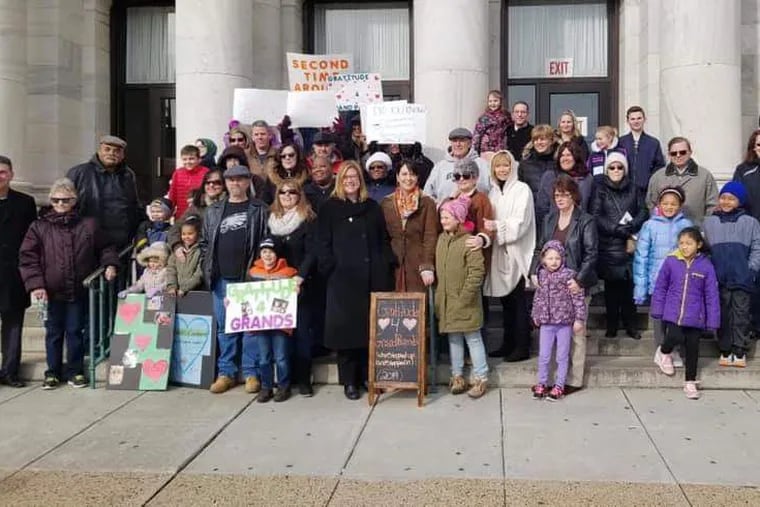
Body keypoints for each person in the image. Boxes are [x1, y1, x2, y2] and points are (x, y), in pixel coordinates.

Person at [18, 178, 118, 389]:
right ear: (51, 201)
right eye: (56, 200)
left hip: (78, 290)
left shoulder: (88, 225)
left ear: (74, 200)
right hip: (51, 292)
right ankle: (52, 372)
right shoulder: (39, 226)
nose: (61, 204)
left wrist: (109, 264)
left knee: (75, 331)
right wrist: (36, 285)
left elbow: (106, 247)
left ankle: (75, 371)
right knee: (53, 333)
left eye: (65, 200)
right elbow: (28, 257)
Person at [316, 161, 395, 400]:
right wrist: (331, 267)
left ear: (361, 180)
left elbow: (382, 239)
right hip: (343, 280)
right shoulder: (330, 207)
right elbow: (322, 243)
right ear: (340, 181)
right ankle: (349, 380)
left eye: (355, 177)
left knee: (368, 331)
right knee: (347, 333)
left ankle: (367, 376)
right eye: (346, 177)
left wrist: (384, 265)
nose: (351, 181)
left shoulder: (371, 207)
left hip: (371, 277)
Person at [201, 165, 269, 394]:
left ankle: (251, 373)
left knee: (250, 328)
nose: (235, 184)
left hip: (248, 278)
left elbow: (266, 240)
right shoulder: (213, 210)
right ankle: (226, 373)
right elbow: (204, 244)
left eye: (240, 180)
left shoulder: (259, 209)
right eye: (230, 180)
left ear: (247, 182)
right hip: (221, 279)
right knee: (225, 328)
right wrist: (206, 267)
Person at [533, 176, 598, 393]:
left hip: (575, 285)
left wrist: (578, 280)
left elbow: (591, 253)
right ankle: (551, 380)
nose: (560, 199)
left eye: (565, 195)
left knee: (577, 334)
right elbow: (540, 248)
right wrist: (536, 271)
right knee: (551, 339)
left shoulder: (585, 220)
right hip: (552, 287)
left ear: (574, 196)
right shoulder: (550, 218)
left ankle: (574, 380)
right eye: (557, 195)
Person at [652, 227, 720, 400]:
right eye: (681, 243)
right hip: (673, 312)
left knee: (692, 347)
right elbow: (660, 287)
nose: (684, 247)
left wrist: (713, 320)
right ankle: (664, 351)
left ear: (698, 245)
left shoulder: (706, 265)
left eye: (689, 243)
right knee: (674, 336)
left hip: (696, 315)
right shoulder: (671, 261)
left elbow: (711, 294)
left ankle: (690, 381)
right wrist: (657, 309)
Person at [483, 150, 536, 361]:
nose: (502, 169)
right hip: (498, 251)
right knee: (505, 302)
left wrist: (497, 226)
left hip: (516, 251)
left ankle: (522, 346)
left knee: (518, 301)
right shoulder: (493, 192)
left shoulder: (522, 190)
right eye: (498, 166)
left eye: (506, 165)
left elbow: (521, 221)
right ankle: (508, 342)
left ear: (512, 167)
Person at [435, 195, 488, 399]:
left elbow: (476, 272)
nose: (443, 220)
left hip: (465, 301)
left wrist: (465, 296)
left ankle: (480, 376)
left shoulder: (469, 242)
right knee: (454, 339)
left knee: (473, 339)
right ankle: (457, 375)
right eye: (442, 217)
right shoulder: (442, 240)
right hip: (447, 302)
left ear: (458, 218)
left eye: (447, 216)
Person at [702, 182, 760, 368]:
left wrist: (751, 269)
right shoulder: (710, 222)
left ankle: (739, 349)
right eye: (723, 197)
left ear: (740, 201)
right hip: (719, 278)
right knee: (722, 314)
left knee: (741, 314)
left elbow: (757, 248)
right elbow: (705, 250)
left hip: (742, 277)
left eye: (731, 198)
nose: (726, 202)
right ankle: (725, 348)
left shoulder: (750, 223)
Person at [591, 153, 648, 339]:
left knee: (628, 288)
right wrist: (616, 229)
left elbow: (643, 210)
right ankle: (612, 325)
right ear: (607, 170)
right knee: (611, 290)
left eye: (620, 167)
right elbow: (597, 216)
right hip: (609, 245)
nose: (616, 170)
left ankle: (631, 325)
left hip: (630, 242)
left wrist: (631, 226)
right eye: (612, 167)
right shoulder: (600, 189)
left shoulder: (634, 188)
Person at [633, 187, 693, 365]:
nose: (669, 207)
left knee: (676, 317)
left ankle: (673, 349)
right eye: (665, 203)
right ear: (659, 204)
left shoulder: (686, 225)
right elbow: (641, 258)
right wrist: (640, 289)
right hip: (657, 280)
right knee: (658, 317)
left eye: (673, 204)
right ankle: (661, 350)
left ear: (680, 205)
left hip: (679, 281)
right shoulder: (649, 225)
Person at [268, 181, 317, 396]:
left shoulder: (308, 219)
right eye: (282, 192)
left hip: (300, 285)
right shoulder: (271, 221)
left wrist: (300, 277)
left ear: (300, 195)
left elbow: (312, 252)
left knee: (302, 335)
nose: (287, 195)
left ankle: (304, 379)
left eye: (292, 192)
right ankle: (284, 381)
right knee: (280, 335)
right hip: (275, 285)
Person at [530, 240, 587, 401]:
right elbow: (538, 298)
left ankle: (559, 386)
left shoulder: (569, 275)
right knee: (544, 355)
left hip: (564, 323)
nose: (554, 261)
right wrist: (536, 315)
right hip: (547, 323)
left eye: (557, 258)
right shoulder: (541, 275)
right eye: (550, 258)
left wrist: (579, 319)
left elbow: (578, 298)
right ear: (543, 260)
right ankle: (542, 383)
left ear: (562, 258)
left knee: (562, 356)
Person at [66, 135, 144, 249]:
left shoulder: (128, 175)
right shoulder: (78, 173)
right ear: (99, 151)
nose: (112, 153)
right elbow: (65, 206)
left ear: (122, 155)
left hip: (121, 242)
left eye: (117, 151)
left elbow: (135, 205)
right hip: (88, 240)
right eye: (107, 149)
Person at [247, 237, 299, 403]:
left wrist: (297, 291)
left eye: (271, 251)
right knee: (264, 357)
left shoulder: (289, 273)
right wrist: (231, 302)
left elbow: (297, 295)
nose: (267, 255)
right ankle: (266, 387)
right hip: (261, 324)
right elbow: (244, 294)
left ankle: (284, 387)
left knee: (281, 356)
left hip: (281, 324)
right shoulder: (253, 272)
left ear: (277, 254)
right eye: (264, 252)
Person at [0, 155, 37, 387]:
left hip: (14, 274)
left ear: (11, 175)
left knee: (13, 326)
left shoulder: (26, 202)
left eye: (3, 172)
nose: (0, 176)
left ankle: (10, 371)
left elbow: (32, 239)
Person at [381, 159, 439, 292]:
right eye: (404, 174)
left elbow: (430, 236)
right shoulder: (386, 203)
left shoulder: (427, 202)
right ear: (397, 177)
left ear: (418, 177)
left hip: (417, 264)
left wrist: (427, 265)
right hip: (394, 264)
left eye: (412, 174)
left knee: (416, 307)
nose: (408, 178)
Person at [645, 137, 718, 225]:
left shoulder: (705, 176)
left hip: (695, 231)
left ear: (690, 152)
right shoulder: (658, 177)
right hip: (664, 232)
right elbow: (651, 204)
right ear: (669, 155)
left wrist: (705, 229)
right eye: (674, 153)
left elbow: (712, 206)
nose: (678, 155)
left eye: (682, 152)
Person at [733, 129, 760, 334]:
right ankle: (753, 324)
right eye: (758, 145)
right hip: (752, 233)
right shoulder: (744, 170)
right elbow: (735, 200)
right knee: (753, 278)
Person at [423, 127, 490, 204]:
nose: (458, 144)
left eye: (462, 141)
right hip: (445, 213)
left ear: (469, 144)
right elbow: (427, 194)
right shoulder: (440, 167)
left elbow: (493, 191)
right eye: (454, 141)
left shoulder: (482, 165)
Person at [536, 141, 595, 222]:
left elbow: (591, 208)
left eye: (568, 155)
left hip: (580, 227)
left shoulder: (587, 178)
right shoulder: (550, 176)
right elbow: (541, 208)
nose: (565, 159)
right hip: (555, 227)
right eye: (562, 155)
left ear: (576, 157)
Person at [618, 106, 665, 192]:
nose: (636, 121)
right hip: (624, 190)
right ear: (628, 121)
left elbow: (659, 166)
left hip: (646, 190)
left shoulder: (653, 143)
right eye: (632, 119)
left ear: (644, 119)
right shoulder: (620, 142)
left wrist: (649, 180)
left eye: (639, 118)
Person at [518, 124, 558, 223]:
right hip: (533, 214)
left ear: (551, 141)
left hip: (556, 213)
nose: (539, 142)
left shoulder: (559, 161)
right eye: (535, 140)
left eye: (543, 139)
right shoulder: (525, 163)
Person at [166, 144, 209, 218]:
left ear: (199, 159)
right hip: (181, 214)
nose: (188, 162)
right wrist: (169, 212)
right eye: (185, 159)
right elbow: (172, 195)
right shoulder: (177, 173)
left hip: (200, 214)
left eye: (191, 159)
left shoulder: (206, 172)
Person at [166, 216, 203, 296]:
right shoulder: (177, 252)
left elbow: (199, 274)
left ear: (198, 234)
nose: (186, 237)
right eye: (183, 234)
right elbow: (171, 269)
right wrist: (172, 286)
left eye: (190, 234)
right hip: (177, 292)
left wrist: (185, 288)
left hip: (196, 292)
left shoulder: (201, 251)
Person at [472, 90, 512, 160]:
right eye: (490, 101)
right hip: (487, 149)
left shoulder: (506, 116)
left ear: (500, 102)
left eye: (495, 101)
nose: (492, 103)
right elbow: (477, 136)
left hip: (501, 149)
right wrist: (475, 152)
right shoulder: (484, 117)